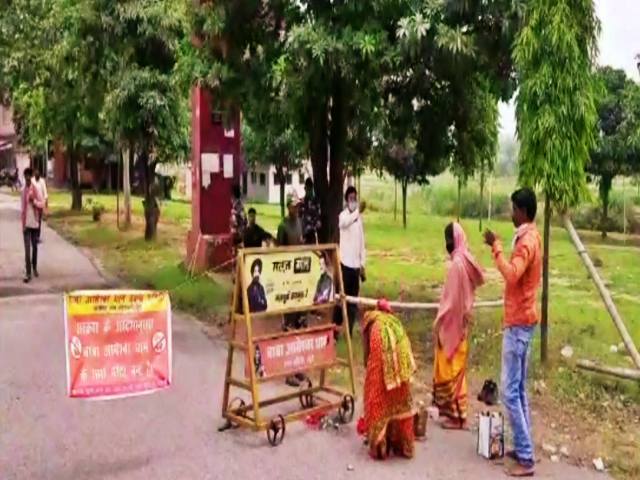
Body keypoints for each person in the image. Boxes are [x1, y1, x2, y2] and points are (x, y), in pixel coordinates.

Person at [483, 187, 541, 477]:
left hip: (519, 323)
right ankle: (523, 447)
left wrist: (496, 247)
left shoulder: (526, 242)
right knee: (518, 390)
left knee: (508, 391)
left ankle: (527, 458)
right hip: (523, 320)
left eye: (513, 209)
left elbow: (512, 274)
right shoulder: (529, 236)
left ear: (523, 212)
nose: (510, 213)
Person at [433, 222, 485, 430]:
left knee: (449, 369)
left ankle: (456, 415)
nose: (446, 243)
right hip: (462, 322)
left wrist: (439, 321)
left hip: (453, 324)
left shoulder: (457, 264)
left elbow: (452, 300)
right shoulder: (465, 259)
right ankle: (459, 413)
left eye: (447, 239)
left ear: (453, 240)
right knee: (457, 369)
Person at [362, 299, 415, 460]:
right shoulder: (395, 323)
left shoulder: (370, 322)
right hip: (400, 370)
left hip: (381, 366)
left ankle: (380, 448)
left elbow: (367, 354)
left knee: (377, 399)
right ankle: (403, 446)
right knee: (399, 402)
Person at [276, 195, 306, 387]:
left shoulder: (300, 223)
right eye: (294, 206)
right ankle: (288, 372)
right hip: (287, 279)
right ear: (288, 207)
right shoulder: (283, 226)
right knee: (288, 325)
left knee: (301, 322)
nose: (296, 209)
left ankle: (298, 367)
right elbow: (278, 253)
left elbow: (301, 243)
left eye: (298, 206)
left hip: (300, 277)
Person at [335, 186, 366, 336]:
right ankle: (335, 330)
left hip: (355, 267)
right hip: (345, 265)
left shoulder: (359, 220)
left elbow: (362, 243)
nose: (353, 201)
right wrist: (357, 212)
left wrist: (362, 264)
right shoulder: (343, 216)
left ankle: (349, 331)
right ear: (346, 200)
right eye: (351, 199)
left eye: (355, 198)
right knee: (342, 299)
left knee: (353, 301)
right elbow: (344, 224)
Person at [21, 168, 44, 283]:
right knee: (27, 250)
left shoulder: (36, 189)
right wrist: (23, 224)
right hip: (26, 224)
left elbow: (41, 204)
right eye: (25, 176)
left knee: (34, 247)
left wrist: (33, 201)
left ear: (31, 177)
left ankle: (34, 267)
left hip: (35, 223)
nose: (27, 178)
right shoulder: (23, 191)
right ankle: (28, 273)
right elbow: (22, 209)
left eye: (29, 176)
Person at [300, 178, 321, 244]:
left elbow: (318, 216)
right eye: (306, 188)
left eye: (310, 188)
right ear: (305, 189)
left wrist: (316, 224)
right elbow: (299, 217)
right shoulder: (302, 202)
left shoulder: (316, 201)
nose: (308, 190)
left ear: (312, 188)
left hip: (313, 232)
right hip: (304, 231)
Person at [33, 169, 48, 242]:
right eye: (36, 176)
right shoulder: (32, 181)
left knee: (38, 221)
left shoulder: (42, 181)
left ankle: (37, 237)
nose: (37, 178)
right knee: (33, 220)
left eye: (38, 177)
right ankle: (33, 236)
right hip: (33, 204)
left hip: (40, 204)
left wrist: (46, 206)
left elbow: (45, 194)